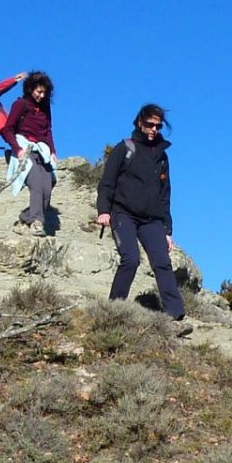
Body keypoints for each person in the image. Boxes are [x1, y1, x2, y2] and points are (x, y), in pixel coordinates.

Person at [95, 104, 189, 332]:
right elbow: (107, 182)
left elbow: (165, 194)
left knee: (162, 263)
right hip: (123, 214)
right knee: (131, 259)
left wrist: (167, 230)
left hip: (152, 220)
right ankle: (114, 310)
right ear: (139, 123)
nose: (153, 129)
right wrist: (104, 211)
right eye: (149, 124)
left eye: (158, 125)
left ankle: (175, 316)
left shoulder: (162, 156)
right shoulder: (124, 148)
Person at [1, 71, 56, 237]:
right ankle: (37, 223)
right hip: (24, 148)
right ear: (31, 88)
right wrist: (17, 149)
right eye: (39, 91)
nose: (41, 95)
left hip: (42, 150)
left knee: (47, 188)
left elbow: (47, 131)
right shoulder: (21, 105)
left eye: (44, 92)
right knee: (37, 184)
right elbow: (7, 129)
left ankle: (24, 219)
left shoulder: (45, 107)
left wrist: (53, 151)